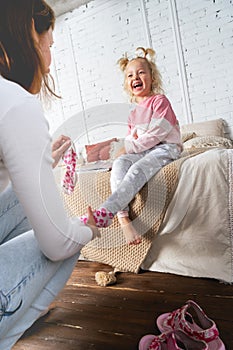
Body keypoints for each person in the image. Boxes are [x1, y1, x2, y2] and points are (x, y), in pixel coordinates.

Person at [0, 1, 98, 348]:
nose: (50, 57)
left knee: (30, 202)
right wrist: (90, 228)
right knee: (67, 234)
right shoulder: (13, 101)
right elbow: (56, 244)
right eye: (50, 45)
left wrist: (44, 164)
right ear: (29, 33)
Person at [80, 47, 183, 245]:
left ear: (152, 78)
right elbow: (132, 138)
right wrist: (122, 153)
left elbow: (157, 133)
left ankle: (106, 212)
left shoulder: (159, 101)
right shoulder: (132, 113)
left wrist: (129, 147)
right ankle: (123, 218)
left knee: (137, 169)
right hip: (145, 149)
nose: (135, 77)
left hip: (165, 147)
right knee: (120, 164)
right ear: (127, 84)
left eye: (141, 72)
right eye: (130, 75)